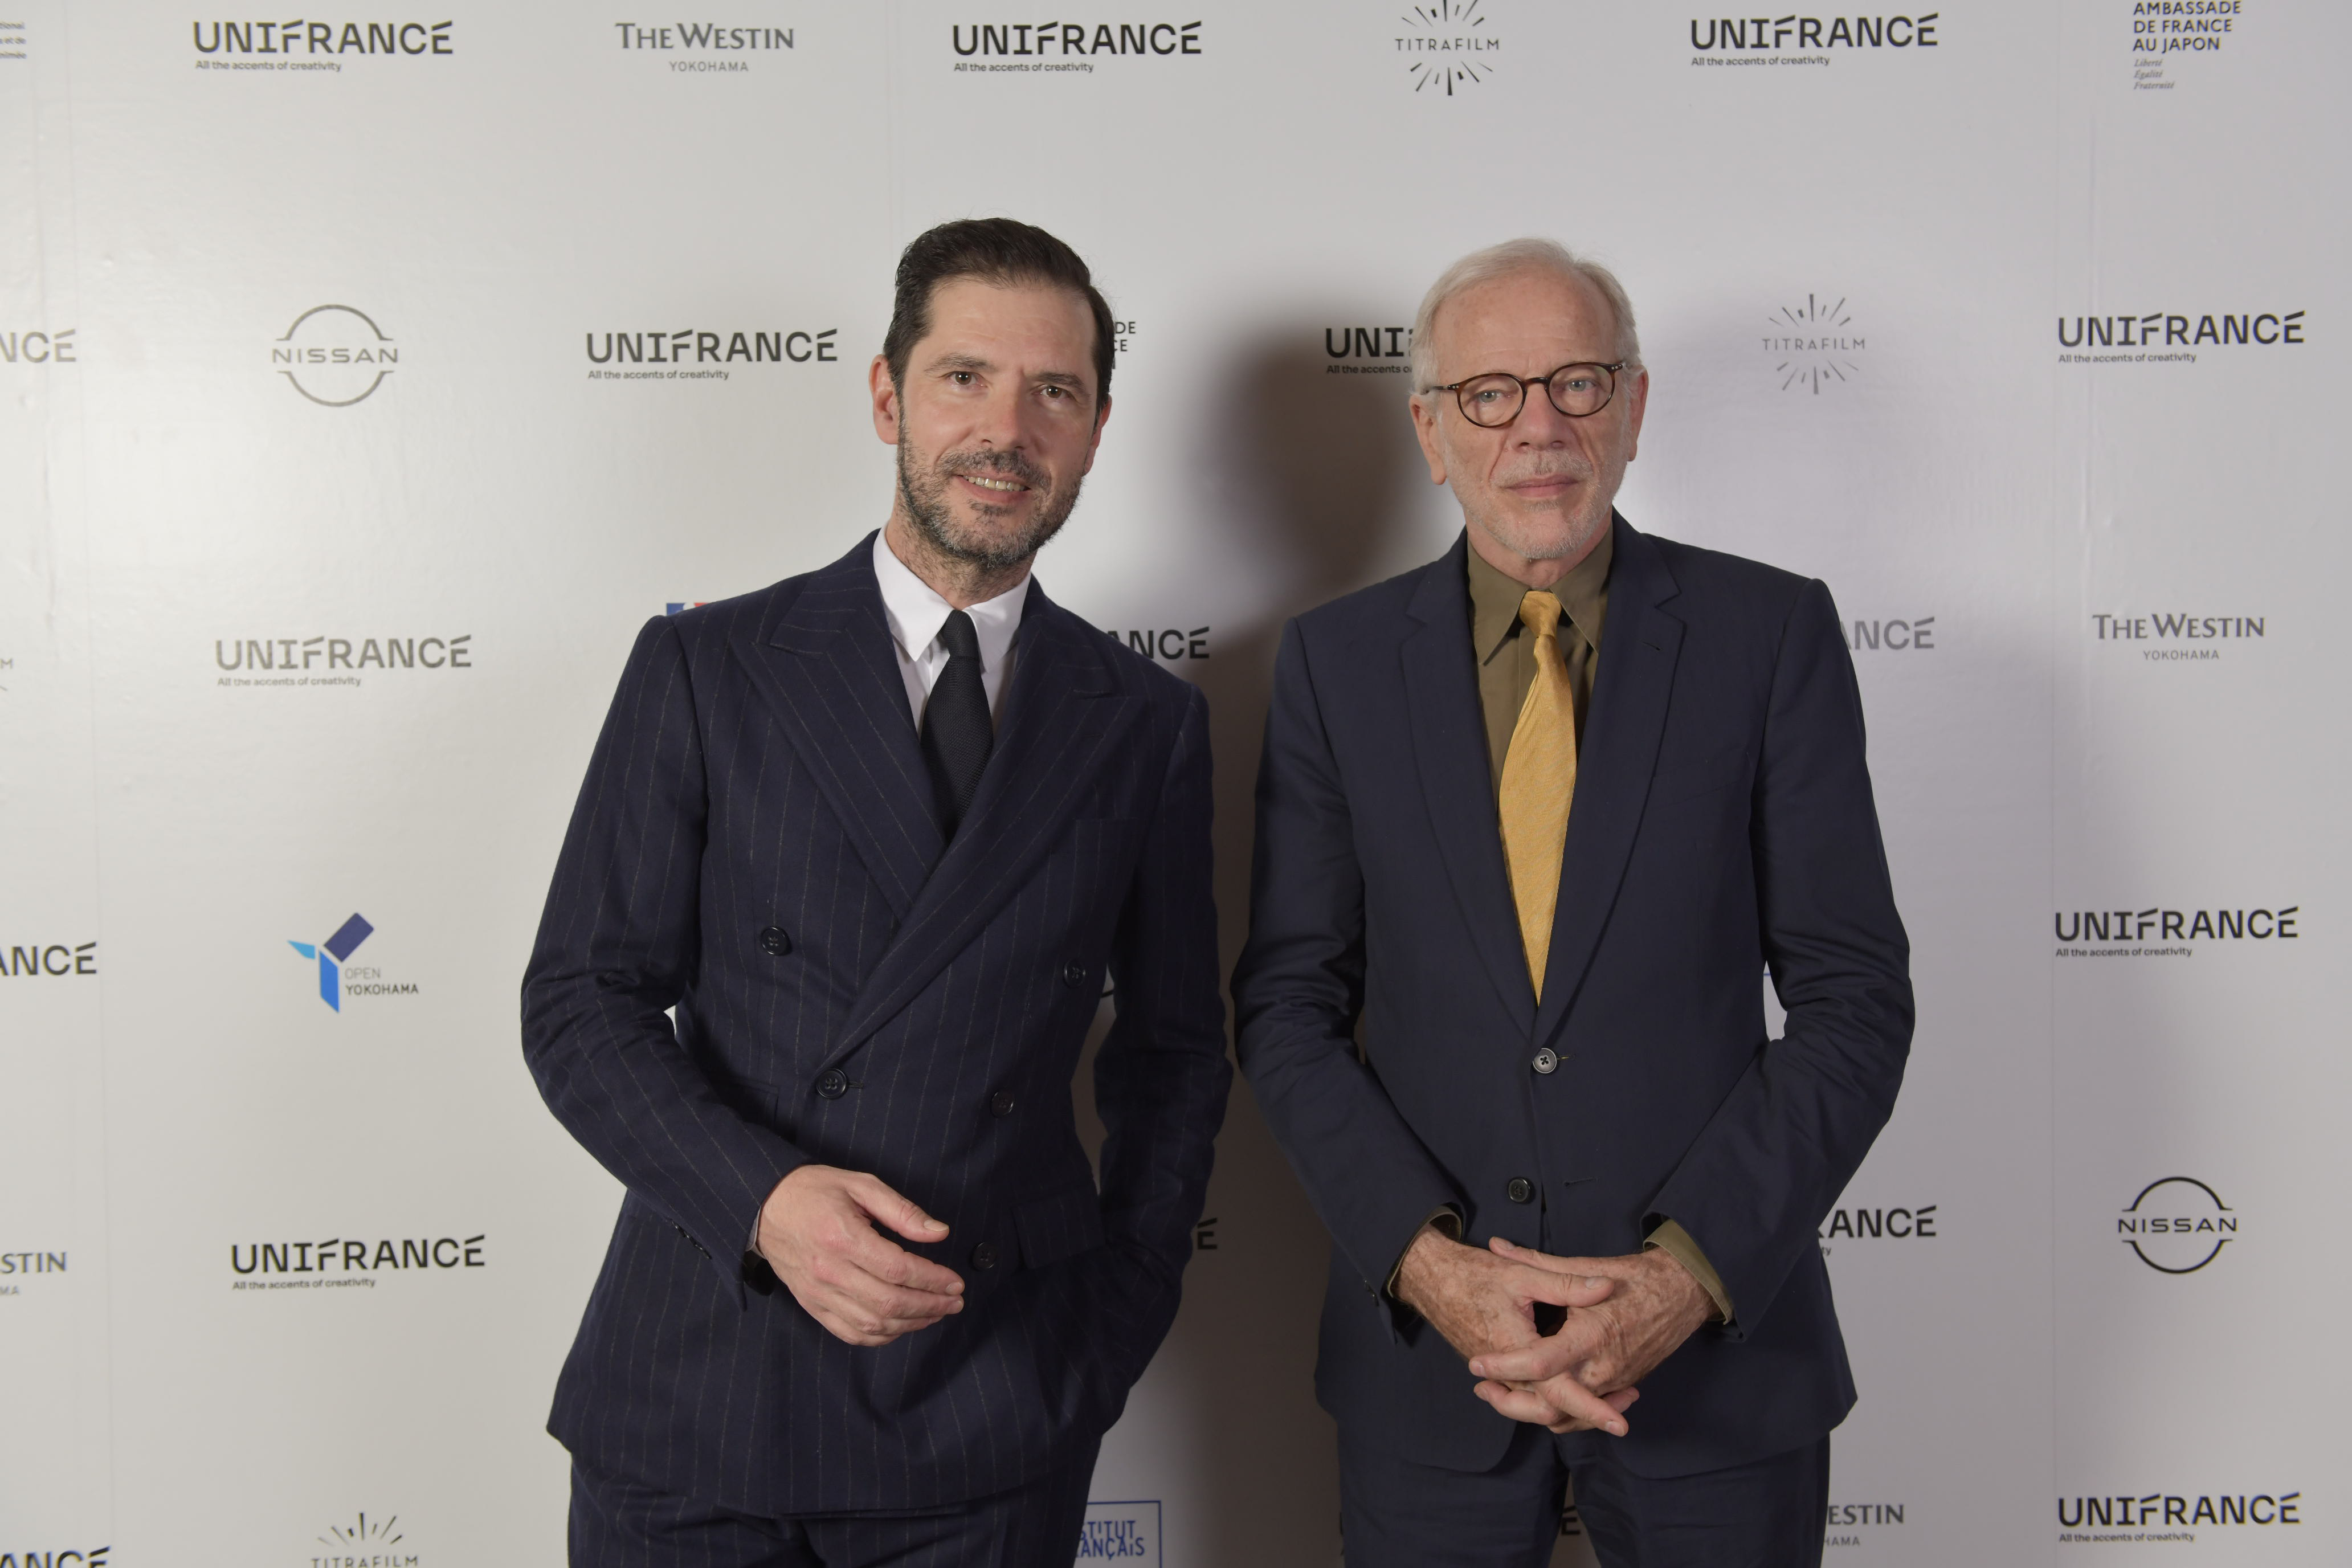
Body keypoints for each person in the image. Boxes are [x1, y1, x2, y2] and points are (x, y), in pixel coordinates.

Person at [522, 217, 1230, 1567]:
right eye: (965, 376)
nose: (1006, 427)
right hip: (701, 1389)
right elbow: (580, 1003)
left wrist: (1112, 1317)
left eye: (1054, 391)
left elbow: (1176, 1054)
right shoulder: (711, 666)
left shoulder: (1144, 722)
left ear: (1095, 428)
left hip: (986, 1400)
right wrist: (767, 1202)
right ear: (886, 393)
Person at [1231, 239, 1912, 1567]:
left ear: (1637, 407)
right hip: (1434, 1376)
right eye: (1490, 391)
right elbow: (1288, 1007)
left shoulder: (1771, 636)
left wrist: (1681, 1276)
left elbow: (1853, 998)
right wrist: (1434, 1270)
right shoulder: (1335, 664)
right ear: (1429, 430)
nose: (1539, 427)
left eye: (1580, 382)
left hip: (1717, 1375)